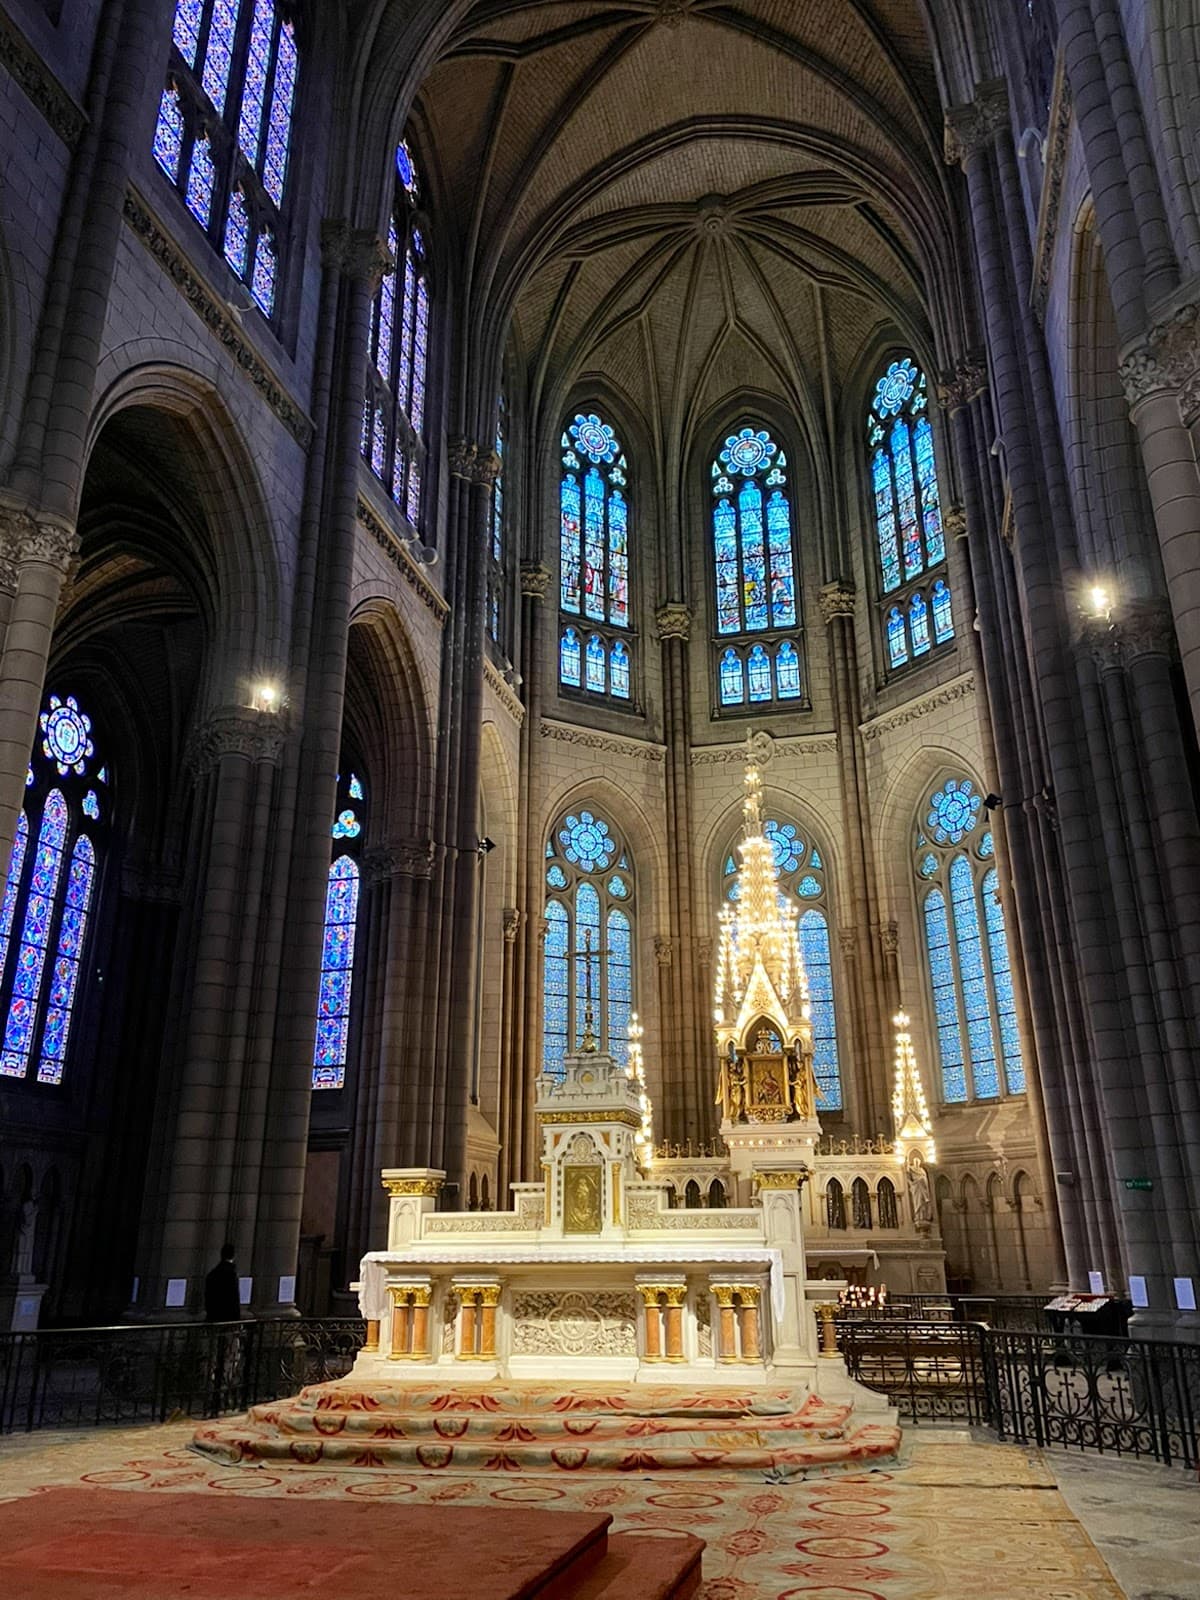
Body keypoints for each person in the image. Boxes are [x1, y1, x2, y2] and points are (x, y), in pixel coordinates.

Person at [204, 1242, 241, 1322]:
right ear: (234, 1256)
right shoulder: (231, 1274)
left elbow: (208, 1296)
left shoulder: (213, 1273)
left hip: (213, 1316)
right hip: (228, 1318)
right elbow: (234, 1298)